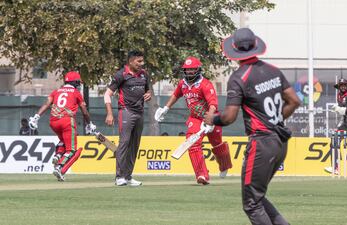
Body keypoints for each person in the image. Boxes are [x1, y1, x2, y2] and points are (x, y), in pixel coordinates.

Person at [204, 28, 300, 225]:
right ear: (256, 46)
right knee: (257, 197)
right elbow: (294, 101)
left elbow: (229, 117)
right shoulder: (273, 70)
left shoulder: (239, 77)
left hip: (262, 143)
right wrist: (275, 120)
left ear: (235, 51)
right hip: (280, 141)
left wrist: (212, 119)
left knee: (251, 204)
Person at [154, 56, 232, 185]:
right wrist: (165, 108)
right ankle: (202, 175)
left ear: (198, 70)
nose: (189, 72)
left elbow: (213, 104)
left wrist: (210, 120)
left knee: (217, 144)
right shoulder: (182, 84)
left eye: (192, 69)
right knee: (192, 143)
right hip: (195, 118)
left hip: (211, 117)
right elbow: (175, 95)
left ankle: (224, 165)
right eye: (187, 69)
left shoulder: (205, 84)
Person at [28, 71, 96, 181]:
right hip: (67, 121)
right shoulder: (76, 93)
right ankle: (59, 167)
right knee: (71, 150)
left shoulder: (56, 91)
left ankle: (58, 155)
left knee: (64, 140)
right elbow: (84, 111)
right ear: (75, 82)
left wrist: (36, 117)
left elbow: (46, 104)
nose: (79, 85)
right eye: (78, 82)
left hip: (53, 121)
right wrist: (90, 124)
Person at [104, 50, 152, 187]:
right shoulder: (121, 75)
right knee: (124, 142)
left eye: (142, 61)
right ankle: (119, 177)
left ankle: (128, 176)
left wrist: (148, 94)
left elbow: (147, 90)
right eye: (139, 61)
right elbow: (107, 95)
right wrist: (109, 113)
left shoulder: (144, 75)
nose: (141, 64)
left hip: (140, 113)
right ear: (131, 61)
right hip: (126, 112)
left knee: (134, 145)